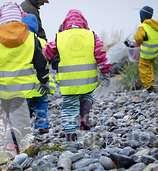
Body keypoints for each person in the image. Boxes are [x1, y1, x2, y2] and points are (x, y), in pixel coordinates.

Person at [0, 1, 50, 156]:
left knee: (9, 116)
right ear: (19, 18)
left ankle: (15, 142)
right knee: (21, 118)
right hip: (24, 89)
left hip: (3, 90)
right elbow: (40, 63)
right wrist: (45, 82)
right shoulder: (31, 38)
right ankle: (12, 144)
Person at [43, 9, 111, 142]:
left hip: (68, 82)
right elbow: (100, 55)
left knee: (69, 107)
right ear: (83, 22)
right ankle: (84, 117)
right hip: (88, 80)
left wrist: (40, 69)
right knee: (87, 96)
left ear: (66, 23)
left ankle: (69, 135)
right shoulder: (91, 35)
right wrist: (105, 72)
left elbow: (47, 53)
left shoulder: (60, 37)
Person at [21, 13, 56, 135]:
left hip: (27, 83)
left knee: (27, 107)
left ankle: (24, 128)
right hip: (41, 81)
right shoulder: (41, 41)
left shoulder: (22, 43)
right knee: (41, 103)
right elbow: (48, 57)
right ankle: (42, 126)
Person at [133, 5, 158, 93]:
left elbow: (139, 38)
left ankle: (149, 86)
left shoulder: (143, 26)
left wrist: (135, 36)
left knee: (144, 69)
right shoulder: (156, 26)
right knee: (149, 68)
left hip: (146, 53)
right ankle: (152, 83)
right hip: (153, 53)